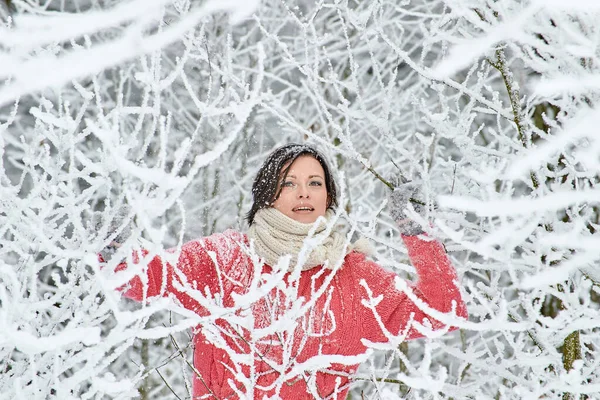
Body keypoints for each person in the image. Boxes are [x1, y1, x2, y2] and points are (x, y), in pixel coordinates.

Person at [103, 143, 467, 399]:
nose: (303, 194)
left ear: (329, 197)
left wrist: (420, 234)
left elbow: (443, 312)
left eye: (315, 184)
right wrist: (111, 242)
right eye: (288, 183)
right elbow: (144, 276)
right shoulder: (222, 259)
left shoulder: (354, 278)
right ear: (267, 195)